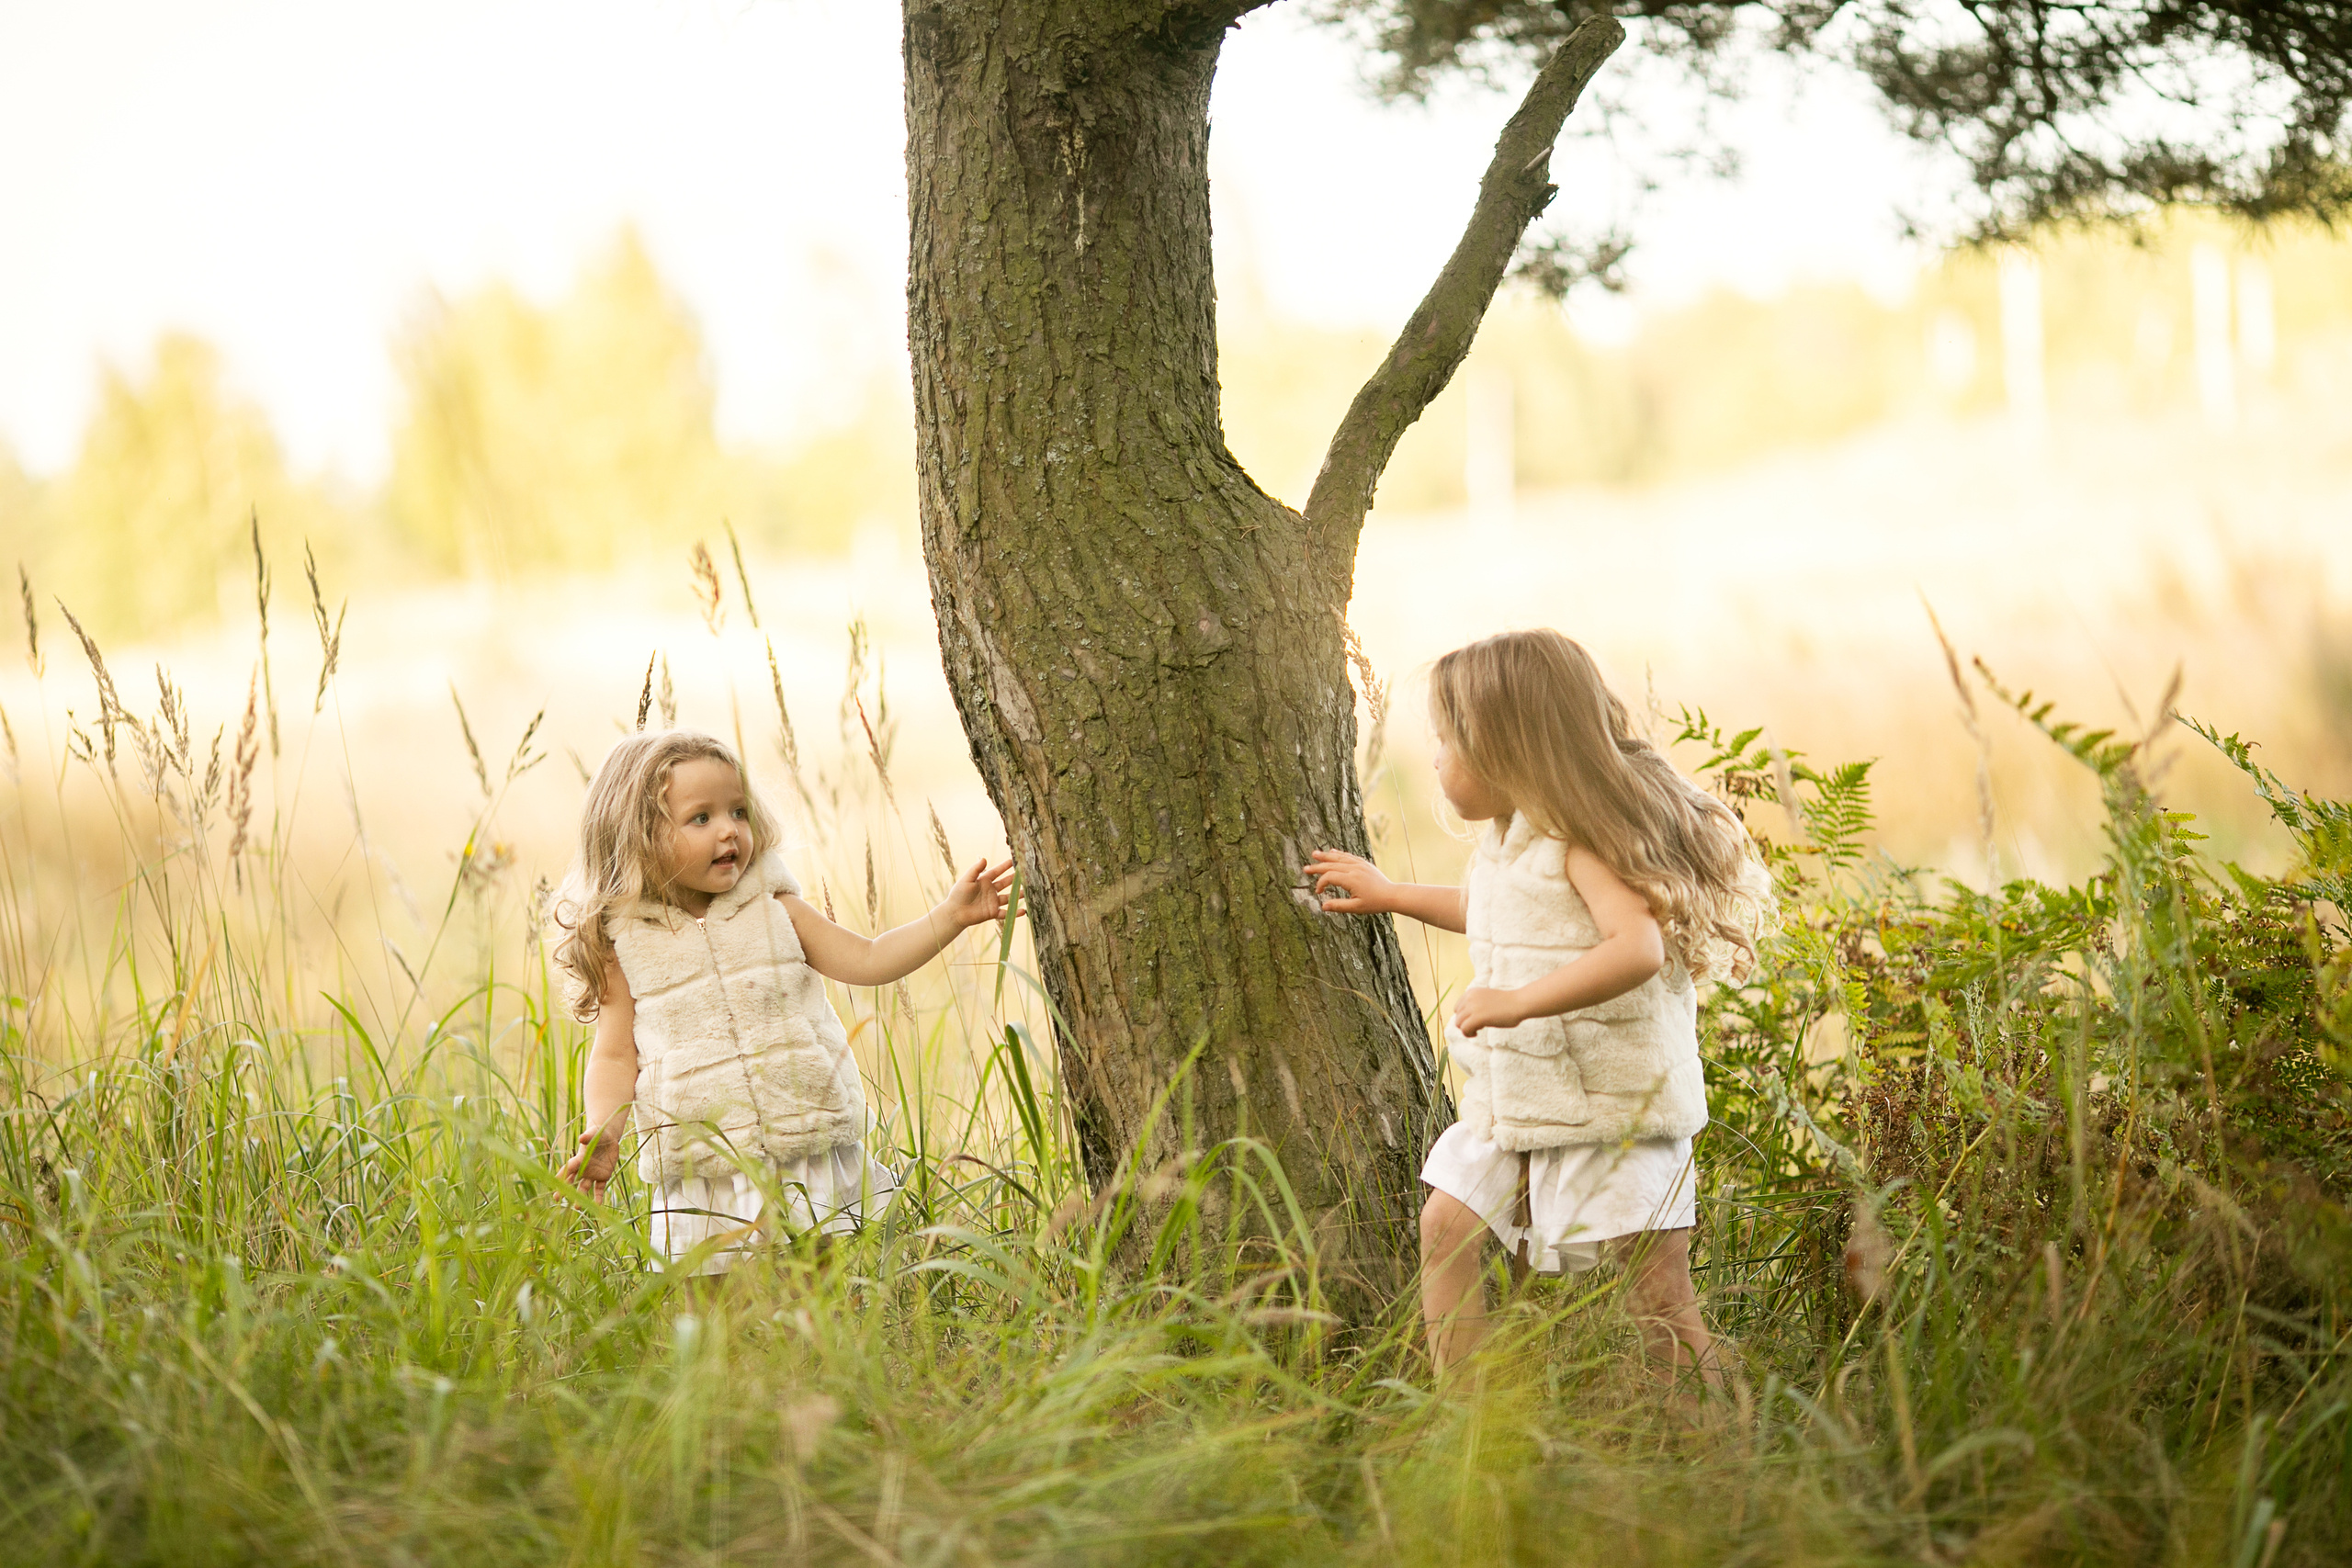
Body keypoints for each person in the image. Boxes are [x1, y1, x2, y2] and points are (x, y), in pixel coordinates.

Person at [1306, 630, 1770, 1383]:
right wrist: (1391, 893)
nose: (1434, 759)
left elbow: (1637, 948)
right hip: (1524, 1098)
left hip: (1617, 1109)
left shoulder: (1583, 844)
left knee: (1657, 1299)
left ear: (1506, 750)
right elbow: (1500, 912)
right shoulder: (1509, 843)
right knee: (1447, 1224)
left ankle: (1720, 1444)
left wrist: (1519, 1001)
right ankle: (1479, 1426)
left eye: (1447, 742)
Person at [552, 729, 1015, 1283]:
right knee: (715, 1309)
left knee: (818, 1298)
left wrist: (949, 916)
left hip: (802, 1140)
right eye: (700, 818)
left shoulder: (775, 909)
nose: (729, 830)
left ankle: (830, 1369)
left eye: (739, 811)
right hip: (704, 1160)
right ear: (635, 837)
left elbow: (867, 960)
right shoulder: (625, 942)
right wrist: (606, 1130)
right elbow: (613, 1056)